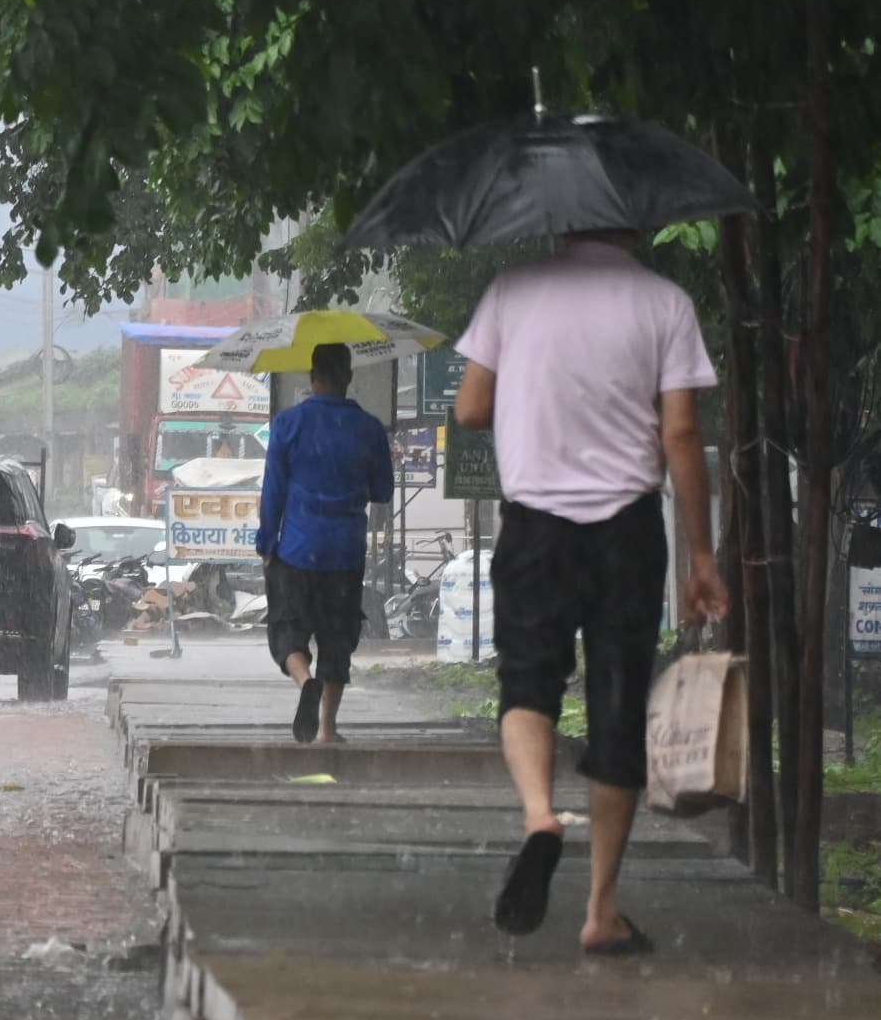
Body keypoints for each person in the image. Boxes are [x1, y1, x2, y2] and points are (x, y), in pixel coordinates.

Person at [455, 230, 727, 957]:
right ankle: (600, 911)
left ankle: (540, 814)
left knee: (526, 683)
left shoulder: (511, 288)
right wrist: (700, 554)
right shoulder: (665, 302)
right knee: (615, 706)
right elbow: (678, 434)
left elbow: (469, 406)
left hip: (534, 524)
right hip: (626, 531)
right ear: (634, 220)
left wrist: (539, 391)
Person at [256, 343, 394, 745]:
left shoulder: (288, 424)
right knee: (337, 640)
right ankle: (328, 730)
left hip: (297, 550)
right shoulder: (368, 428)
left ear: (312, 377)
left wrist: (267, 542)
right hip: (345, 553)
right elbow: (383, 491)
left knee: (286, 631)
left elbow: (273, 492)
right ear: (349, 378)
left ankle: (304, 683)